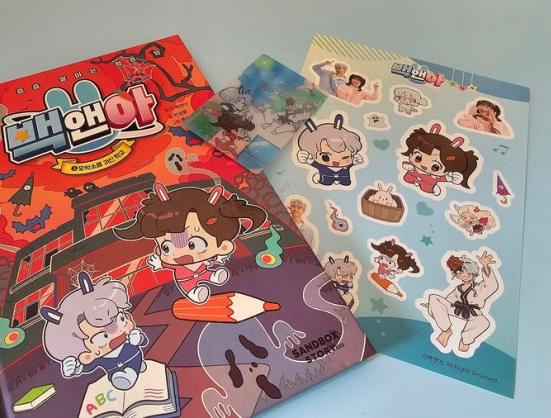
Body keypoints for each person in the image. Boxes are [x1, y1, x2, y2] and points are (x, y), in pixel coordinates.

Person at [114, 182, 267, 304]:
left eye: (194, 244)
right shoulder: (175, 263)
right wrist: (160, 263)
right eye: (166, 247)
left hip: (203, 271)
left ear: (224, 246)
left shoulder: (215, 253)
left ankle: (212, 276)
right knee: (191, 287)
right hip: (186, 281)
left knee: (208, 274)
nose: (180, 254)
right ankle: (194, 293)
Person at [40, 273, 149, 390]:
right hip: (116, 372)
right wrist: (75, 368)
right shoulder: (99, 357)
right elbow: (87, 366)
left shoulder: (128, 340)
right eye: (102, 337)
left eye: (121, 319)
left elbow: (143, 341)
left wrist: (138, 338)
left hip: (136, 357)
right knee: (123, 376)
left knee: (136, 364)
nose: (116, 332)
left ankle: (136, 367)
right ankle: (129, 374)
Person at [420, 251, 500, 353]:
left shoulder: (479, 287)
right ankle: (446, 331)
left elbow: (491, 285)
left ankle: (465, 341)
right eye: (460, 273)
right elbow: (448, 301)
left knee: (484, 322)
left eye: (468, 273)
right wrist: (432, 305)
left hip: (472, 313)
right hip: (456, 309)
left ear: (473, 273)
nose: (465, 275)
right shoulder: (458, 288)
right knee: (434, 298)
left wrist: (485, 266)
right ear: (457, 275)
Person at [399, 124, 479, 197]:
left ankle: (432, 188)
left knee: (426, 188)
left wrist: (451, 178)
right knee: (407, 178)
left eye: (435, 167)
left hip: (428, 184)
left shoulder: (435, 177)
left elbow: (444, 178)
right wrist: (407, 165)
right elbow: (406, 164)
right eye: (418, 158)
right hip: (409, 178)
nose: (424, 165)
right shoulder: (413, 167)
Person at [296, 114, 364, 187]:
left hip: (346, 181)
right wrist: (306, 159)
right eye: (325, 157)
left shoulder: (346, 166)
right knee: (326, 181)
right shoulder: (322, 166)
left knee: (346, 182)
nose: (336, 162)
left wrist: (355, 161)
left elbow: (352, 163)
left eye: (345, 157)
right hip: (326, 180)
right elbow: (313, 162)